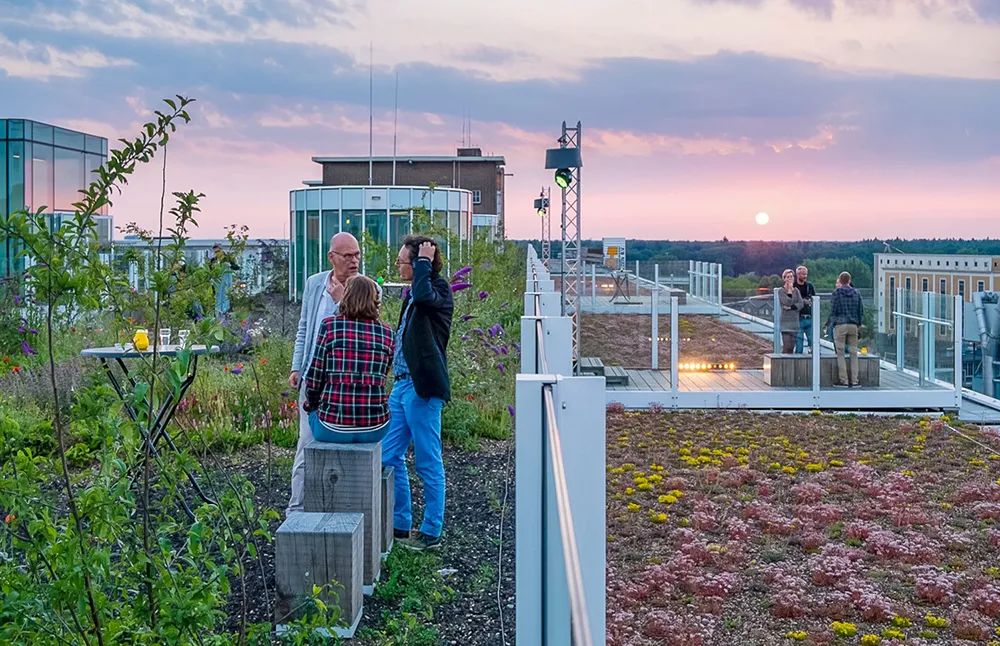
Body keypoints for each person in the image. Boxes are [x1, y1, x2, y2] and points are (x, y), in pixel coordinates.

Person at [381, 236, 454, 551]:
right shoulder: (413, 293)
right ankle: (400, 524)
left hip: (422, 387)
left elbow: (425, 296)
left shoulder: (437, 290)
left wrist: (424, 260)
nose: (398, 266)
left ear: (419, 263)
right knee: (388, 456)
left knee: (427, 460)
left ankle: (431, 531)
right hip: (401, 385)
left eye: (402, 261)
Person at [286, 232, 364, 515]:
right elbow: (304, 327)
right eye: (347, 255)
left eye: (357, 254)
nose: (354, 260)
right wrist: (297, 366)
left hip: (344, 386)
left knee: (339, 449)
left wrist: (342, 302)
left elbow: (360, 333)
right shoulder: (315, 283)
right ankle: (296, 510)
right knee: (306, 444)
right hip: (312, 379)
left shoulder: (366, 288)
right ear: (332, 257)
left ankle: (335, 510)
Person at [302, 275, 394, 443]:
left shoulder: (329, 326)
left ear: (346, 296)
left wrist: (312, 405)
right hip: (376, 426)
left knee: (313, 415)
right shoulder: (387, 333)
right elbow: (383, 374)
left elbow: (314, 378)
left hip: (331, 425)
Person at [830, 271, 864, 387]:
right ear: (849, 280)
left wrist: (832, 323)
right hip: (853, 325)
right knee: (854, 354)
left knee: (840, 354)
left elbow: (833, 310)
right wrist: (859, 324)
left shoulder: (836, 293)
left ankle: (843, 380)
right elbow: (860, 310)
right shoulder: (856, 293)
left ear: (840, 280)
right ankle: (854, 380)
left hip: (840, 325)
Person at [778, 269, 804, 353]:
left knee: (792, 347)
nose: (790, 278)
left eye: (791, 277)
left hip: (794, 323)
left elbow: (801, 304)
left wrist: (791, 307)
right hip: (785, 323)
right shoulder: (781, 291)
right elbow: (786, 302)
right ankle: (783, 360)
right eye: (788, 277)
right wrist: (789, 290)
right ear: (784, 279)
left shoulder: (796, 290)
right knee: (787, 346)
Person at [793, 265, 816, 353]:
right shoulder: (793, 286)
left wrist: (810, 302)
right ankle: (798, 360)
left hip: (809, 317)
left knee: (813, 342)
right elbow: (791, 300)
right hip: (797, 318)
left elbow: (815, 299)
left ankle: (813, 358)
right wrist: (803, 301)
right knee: (799, 343)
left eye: (806, 274)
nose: (805, 276)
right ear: (798, 275)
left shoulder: (809, 286)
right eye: (803, 274)